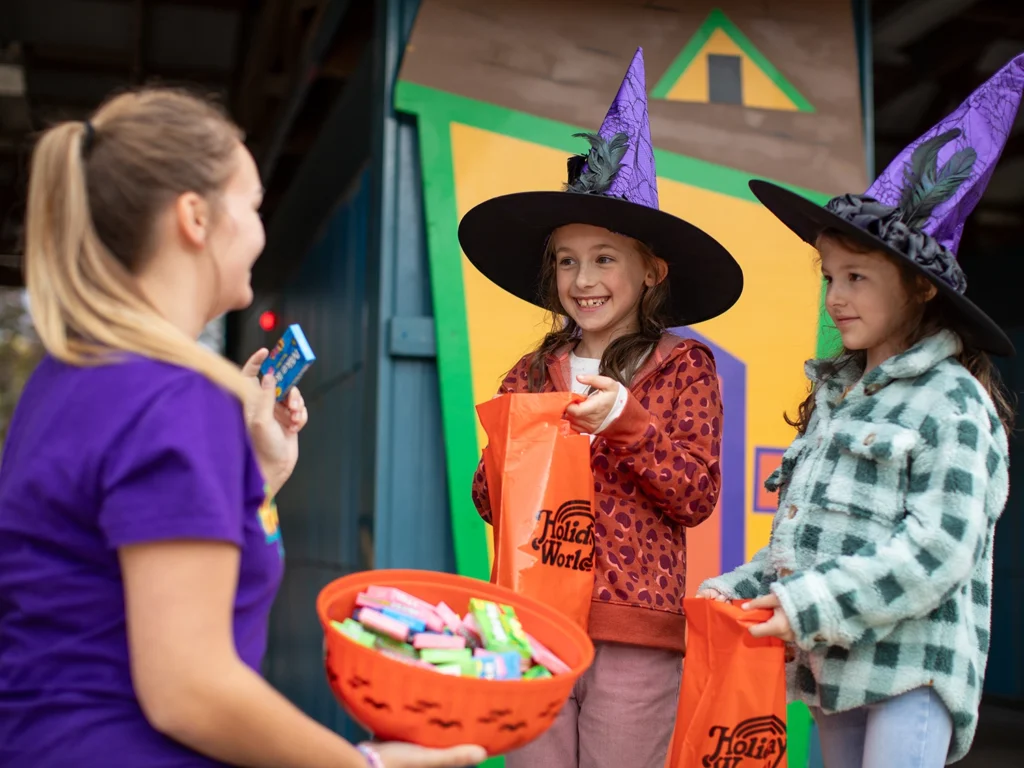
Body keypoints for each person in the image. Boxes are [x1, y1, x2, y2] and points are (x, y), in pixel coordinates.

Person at [0, 87, 485, 768]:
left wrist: (259, 476)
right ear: (195, 218)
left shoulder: (66, 377)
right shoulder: (179, 397)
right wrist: (364, 766)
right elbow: (188, 691)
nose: (261, 231)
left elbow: (107, 577)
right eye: (253, 206)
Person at [698, 53, 1024, 768]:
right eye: (828, 276)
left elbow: (939, 548)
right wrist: (733, 592)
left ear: (920, 288)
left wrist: (802, 607)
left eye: (857, 278)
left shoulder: (955, 400)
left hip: (914, 671)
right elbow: (802, 551)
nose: (835, 297)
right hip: (835, 669)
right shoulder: (836, 400)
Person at [459, 49, 744, 768]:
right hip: (535, 620)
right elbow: (488, 498)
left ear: (652, 270)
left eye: (605, 258)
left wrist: (624, 423)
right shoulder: (531, 371)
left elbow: (696, 493)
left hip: (635, 633)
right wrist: (515, 446)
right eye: (566, 260)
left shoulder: (683, 367)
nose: (583, 279)